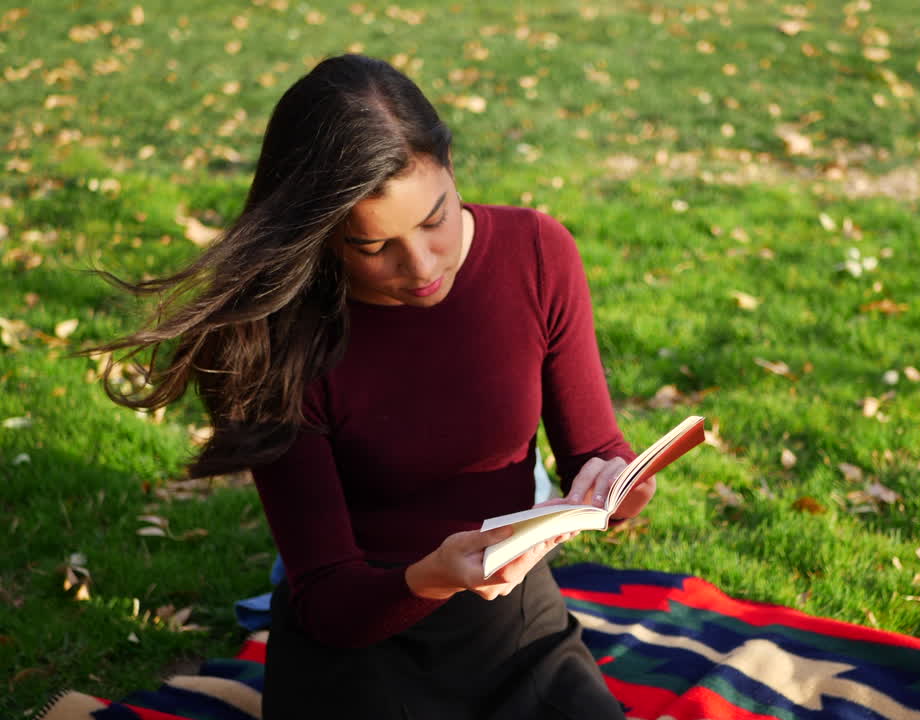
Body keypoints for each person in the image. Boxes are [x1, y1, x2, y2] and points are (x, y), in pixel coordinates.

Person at [90, 54, 653, 718]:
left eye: (435, 218)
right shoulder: (279, 340)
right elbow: (328, 599)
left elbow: (597, 452)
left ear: (450, 165)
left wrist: (620, 484)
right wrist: (434, 576)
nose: (420, 266)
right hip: (362, 634)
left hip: (512, 624)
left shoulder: (536, 253)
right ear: (320, 235)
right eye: (372, 246)